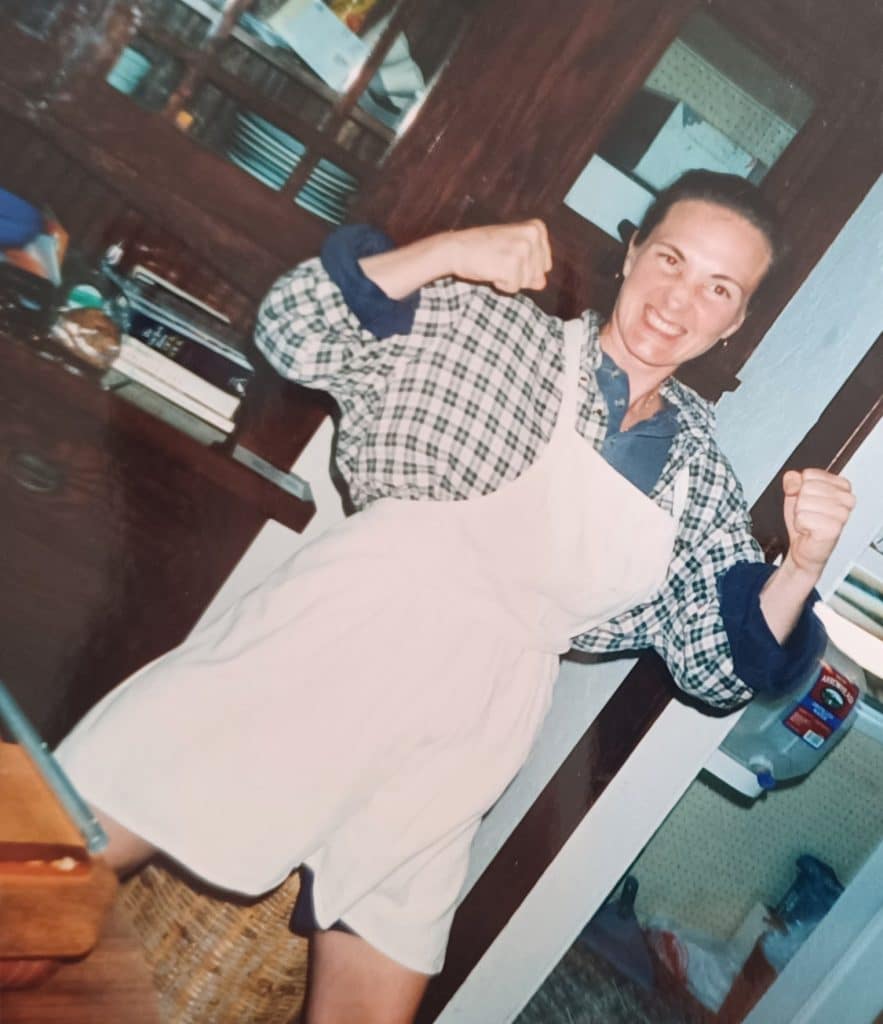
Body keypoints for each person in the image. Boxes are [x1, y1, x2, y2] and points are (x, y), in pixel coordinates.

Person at [55, 171, 855, 1024]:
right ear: (629, 255)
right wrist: (446, 253)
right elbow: (294, 331)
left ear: (735, 321)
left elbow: (721, 663)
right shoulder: (492, 334)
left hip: (469, 738)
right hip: (320, 652)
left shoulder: (698, 476)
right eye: (669, 258)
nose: (678, 298)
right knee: (44, 869)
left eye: (717, 288)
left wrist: (801, 563)